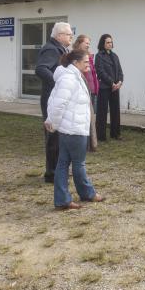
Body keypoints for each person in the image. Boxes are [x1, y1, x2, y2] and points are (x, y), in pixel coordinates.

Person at [45, 49, 105, 211]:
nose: (88, 64)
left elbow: (54, 99)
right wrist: (53, 123)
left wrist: (52, 121)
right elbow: (57, 104)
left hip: (71, 128)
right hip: (73, 130)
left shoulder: (72, 77)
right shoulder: (69, 79)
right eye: (85, 61)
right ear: (75, 63)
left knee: (63, 163)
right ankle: (87, 193)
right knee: (78, 164)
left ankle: (63, 200)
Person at [36, 22, 73, 182]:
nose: (71, 37)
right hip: (51, 98)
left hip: (58, 98)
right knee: (53, 135)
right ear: (59, 36)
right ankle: (51, 173)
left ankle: (59, 169)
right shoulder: (51, 49)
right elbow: (41, 69)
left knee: (59, 136)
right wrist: (58, 83)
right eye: (68, 34)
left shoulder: (61, 49)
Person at [94, 34, 123, 142]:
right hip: (105, 87)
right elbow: (100, 72)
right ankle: (101, 135)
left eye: (111, 42)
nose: (110, 44)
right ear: (103, 43)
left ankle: (115, 133)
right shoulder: (99, 56)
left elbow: (120, 71)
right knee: (102, 111)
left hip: (115, 87)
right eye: (107, 42)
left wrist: (120, 81)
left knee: (115, 110)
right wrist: (112, 83)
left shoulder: (115, 56)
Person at [73, 34, 99, 151]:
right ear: (79, 43)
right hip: (82, 89)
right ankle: (84, 142)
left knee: (91, 118)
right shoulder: (75, 56)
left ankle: (90, 142)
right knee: (84, 117)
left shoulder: (89, 56)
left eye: (89, 43)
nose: (88, 45)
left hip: (91, 89)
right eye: (86, 43)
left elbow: (93, 73)